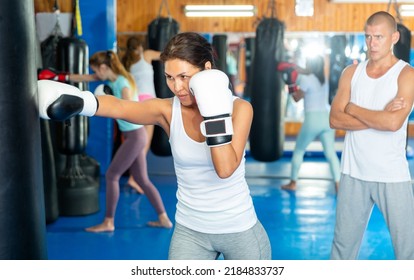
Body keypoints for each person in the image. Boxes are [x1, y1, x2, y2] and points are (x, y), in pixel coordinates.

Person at [37, 32, 271, 260]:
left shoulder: (239, 109)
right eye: (170, 77)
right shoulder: (167, 110)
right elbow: (121, 107)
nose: (177, 86)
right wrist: (81, 101)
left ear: (207, 71)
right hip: (190, 231)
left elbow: (225, 169)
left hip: (239, 229)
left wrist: (213, 113)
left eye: (184, 76)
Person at [329, 11, 414, 259]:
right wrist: (379, 116)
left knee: (408, 251)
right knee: (342, 249)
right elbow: (335, 119)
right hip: (353, 172)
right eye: (368, 37)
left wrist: (353, 109)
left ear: (395, 37)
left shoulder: (406, 75)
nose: (372, 43)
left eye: (379, 37)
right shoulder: (351, 73)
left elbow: (392, 123)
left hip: (391, 175)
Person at [67, 50, 172, 231]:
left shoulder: (123, 83)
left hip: (135, 137)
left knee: (111, 175)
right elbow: (88, 77)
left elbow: (128, 106)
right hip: (135, 136)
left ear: (104, 67)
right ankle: (164, 218)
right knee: (142, 179)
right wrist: (64, 76)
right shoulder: (113, 79)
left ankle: (108, 222)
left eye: (97, 70)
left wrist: (112, 103)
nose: (96, 74)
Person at [279, 56, 340, 192]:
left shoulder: (307, 79)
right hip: (327, 118)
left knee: (299, 150)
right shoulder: (322, 78)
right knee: (330, 153)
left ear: (310, 65)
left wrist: (289, 84)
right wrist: (294, 67)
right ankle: (338, 184)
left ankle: (293, 183)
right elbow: (304, 71)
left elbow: (296, 98)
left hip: (313, 119)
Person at [121, 36, 161, 194]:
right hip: (149, 102)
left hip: (136, 102)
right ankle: (135, 178)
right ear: (140, 46)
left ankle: (134, 176)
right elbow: (167, 55)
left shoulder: (126, 62)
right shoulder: (147, 55)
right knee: (145, 143)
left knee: (138, 143)